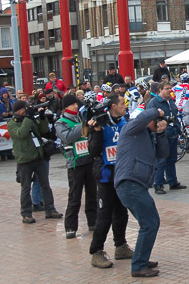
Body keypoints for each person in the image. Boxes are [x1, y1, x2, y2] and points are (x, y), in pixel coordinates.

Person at [114, 104, 169, 278]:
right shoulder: (130, 129)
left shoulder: (147, 134)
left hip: (136, 184)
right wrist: (156, 111)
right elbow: (141, 118)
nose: (157, 122)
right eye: (155, 121)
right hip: (129, 183)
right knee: (150, 223)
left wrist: (160, 133)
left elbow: (164, 153)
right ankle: (138, 265)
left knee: (150, 222)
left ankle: (141, 260)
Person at [87, 93, 134, 268]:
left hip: (121, 173)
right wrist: (97, 132)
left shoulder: (123, 122)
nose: (125, 106)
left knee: (121, 212)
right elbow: (93, 151)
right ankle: (96, 252)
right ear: (113, 106)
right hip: (105, 175)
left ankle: (120, 246)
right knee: (104, 215)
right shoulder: (99, 123)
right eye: (122, 103)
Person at [7, 100, 63, 224]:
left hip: (38, 156)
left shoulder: (30, 120)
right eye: (25, 109)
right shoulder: (11, 123)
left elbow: (42, 131)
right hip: (25, 159)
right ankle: (26, 213)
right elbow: (21, 134)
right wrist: (27, 118)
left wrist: (42, 118)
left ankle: (50, 209)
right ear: (19, 110)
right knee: (26, 187)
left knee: (45, 185)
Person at [55, 94, 97, 240]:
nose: (75, 106)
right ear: (66, 107)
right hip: (74, 163)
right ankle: (71, 227)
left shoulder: (82, 117)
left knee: (92, 194)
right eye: (72, 104)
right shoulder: (61, 122)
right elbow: (67, 137)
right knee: (75, 196)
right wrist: (84, 125)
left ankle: (93, 222)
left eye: (76, 104)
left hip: (88, 159)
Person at [146, 81, 186, 194]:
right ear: (160, 90)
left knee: (172, 159)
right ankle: (158, 185)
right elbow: (149, 118)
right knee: (161, 160)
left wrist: (178, 128)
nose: (169, 90)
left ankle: (173, 182)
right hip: (161, 135)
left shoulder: (170, 101)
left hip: (173, 133)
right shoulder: (154, 102)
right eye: (167, 88)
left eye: (170, 88)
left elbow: (175, 114)